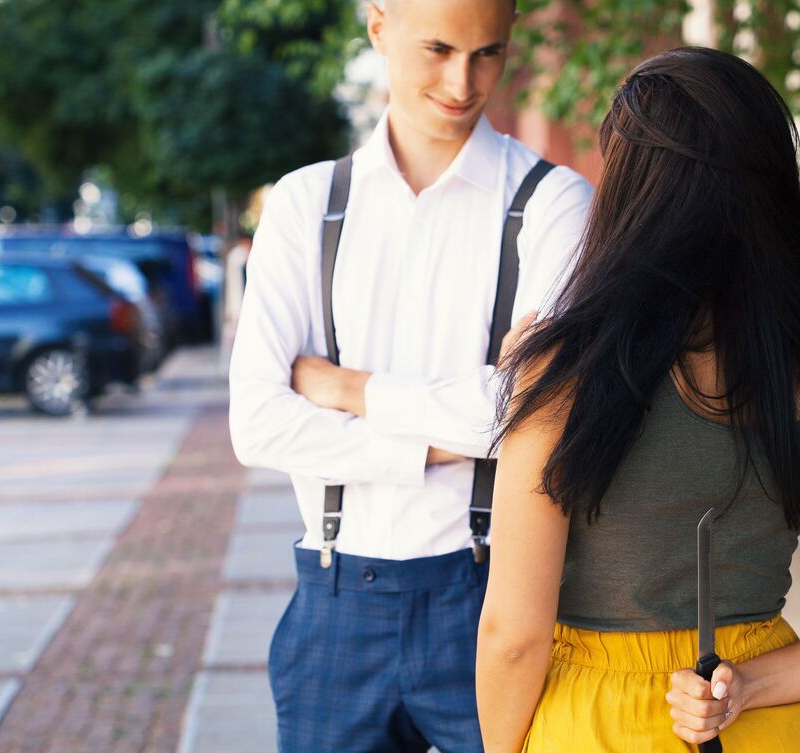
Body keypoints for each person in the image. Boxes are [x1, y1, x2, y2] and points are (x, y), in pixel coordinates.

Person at [475, 46, 800, 753]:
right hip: (763, 725)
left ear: (633, 190)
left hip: (600, 724)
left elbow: (513, 635)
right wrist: (749, 684)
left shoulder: (566, 372)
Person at [227, 0, 592, 750]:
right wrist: (452, 436)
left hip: (494, 598)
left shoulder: (554, 203)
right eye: (438, 49)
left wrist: (346, 390)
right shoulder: (305, 206)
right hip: (334, 604)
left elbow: (551, 411)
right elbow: (257, 421)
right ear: (378, 27)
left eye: (488, 53)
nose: (463, 80)